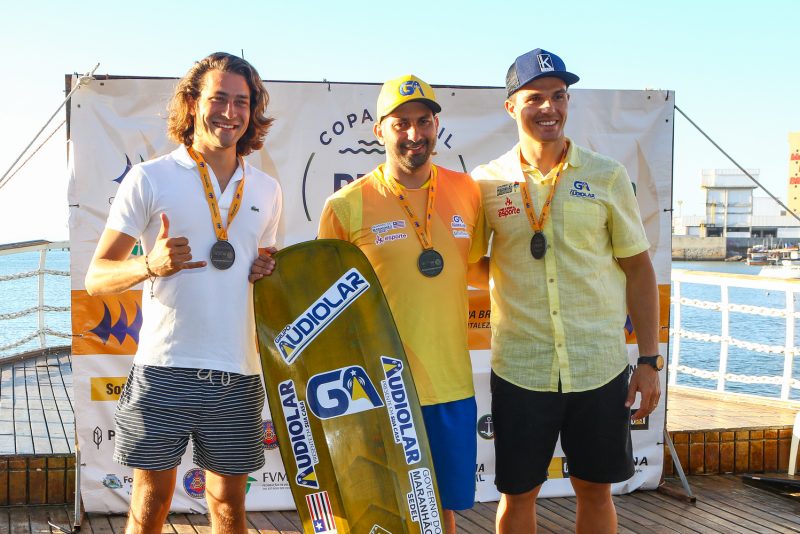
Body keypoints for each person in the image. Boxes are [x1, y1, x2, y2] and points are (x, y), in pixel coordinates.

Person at [85, 52, 282, 533]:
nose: (230, 113)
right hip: (164, 368)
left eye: (241, 102)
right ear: (193, 103)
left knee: (229, 507)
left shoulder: (267, 189)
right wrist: (150, 264)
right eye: (218, 99)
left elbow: (266, 273)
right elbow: (97, 276)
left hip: (238, 371)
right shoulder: (150, 177)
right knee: (149, 505)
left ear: (252, 110)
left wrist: (267, 269)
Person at [470, 48, 662, 533]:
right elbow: (470, 262)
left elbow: (639, 271)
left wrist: (647, 361)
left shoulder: (606, 175)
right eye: (535, 97)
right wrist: (509, 277)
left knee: (596, 492)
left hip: (598, 364)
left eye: (559, 96)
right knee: (518, 495)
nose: (549, 108)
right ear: (511, 106)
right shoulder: (487, 183)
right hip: (521, 365)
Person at [317, 74, 483, 534]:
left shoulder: (468, 192)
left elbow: (479, 268)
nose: (415, 134)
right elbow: (324, 302)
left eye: (424, 121)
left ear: (436, 125)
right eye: (402, 123)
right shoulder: (346, 204)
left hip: (450, 386)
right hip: (378, 389)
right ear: (380, 130)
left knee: (442, 512)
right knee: (382, 512)